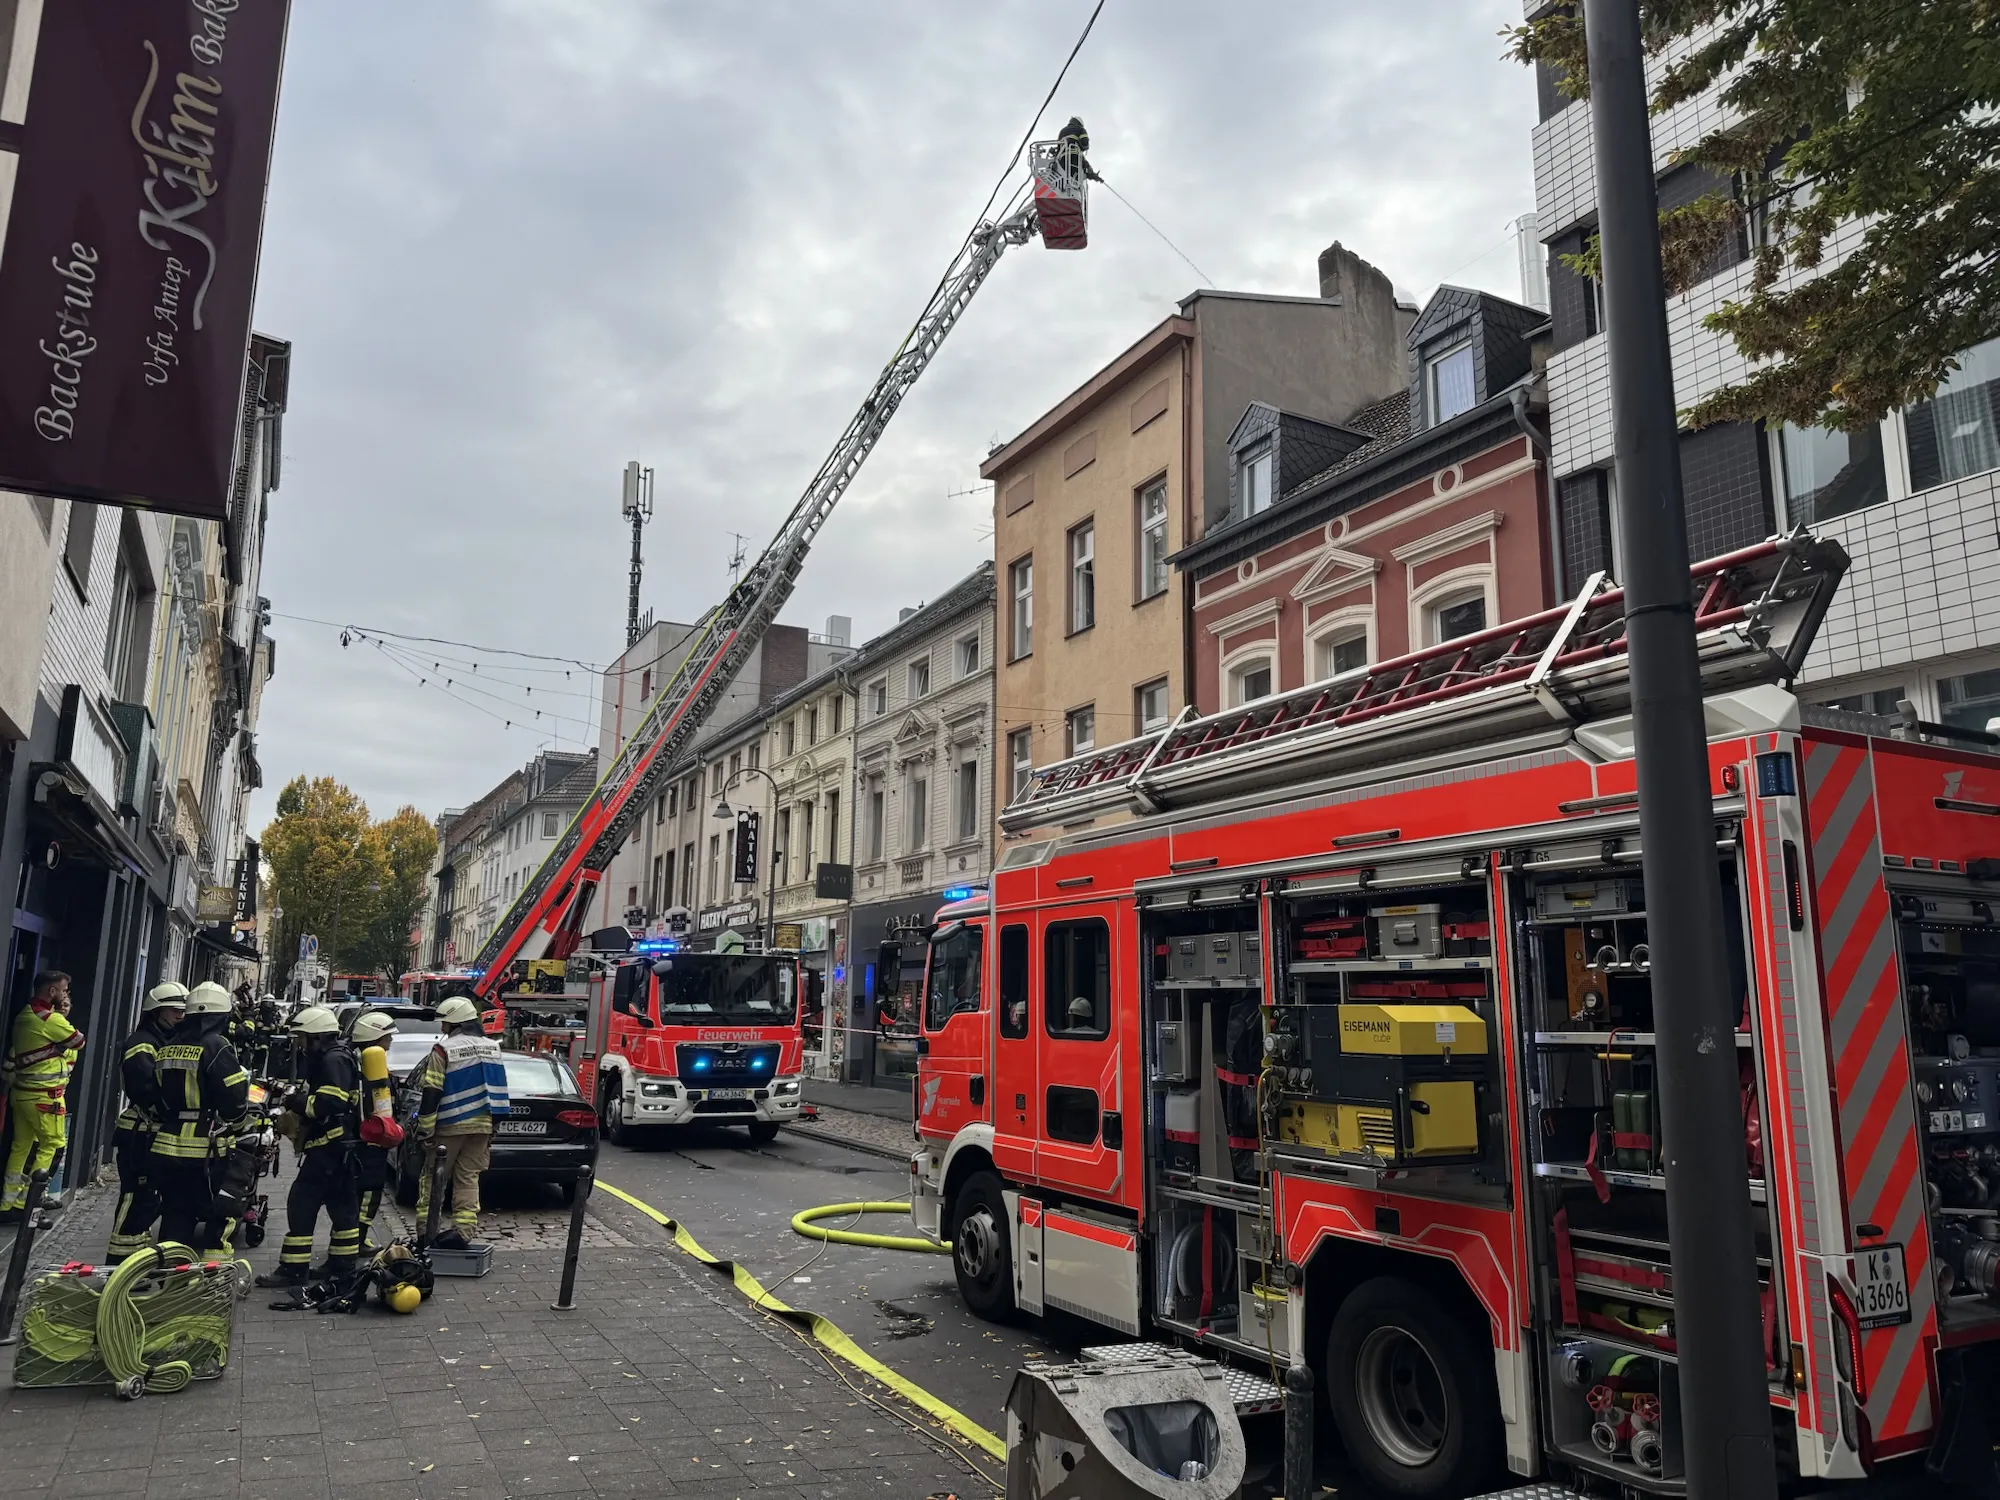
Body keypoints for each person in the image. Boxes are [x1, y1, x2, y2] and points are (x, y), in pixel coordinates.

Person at [258, 1005, 362, 1285]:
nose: (300, 1045)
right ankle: (341, 1267)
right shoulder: (339, 1056)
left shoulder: (332, 1061)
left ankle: (294, 1269)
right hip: (342, 1149)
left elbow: (330, 1102)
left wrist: (296, 1102)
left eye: (303, 1038)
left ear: (317, 1037)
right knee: (343, 1208)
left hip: (329, 1148)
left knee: (301, 1203)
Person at [151, 982, 252, 1253]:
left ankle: (170, 1273)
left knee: (175, 1213)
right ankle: (213, 1277)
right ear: (220, 1016)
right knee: (221, 1211)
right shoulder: (217, 1046)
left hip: (167, 1144)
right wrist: (239, 1127)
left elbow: (156, 1094)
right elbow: (234, 1099)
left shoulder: (168, 1045)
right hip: (206, 1149)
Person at [413, 996, 509, 1252]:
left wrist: (425, 1129)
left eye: (444, 1022)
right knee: (468, 1179)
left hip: (450, 1125)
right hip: (483, 1124)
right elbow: (499, 1089)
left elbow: (432, 1091)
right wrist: (493, 1127)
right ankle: (463, 1233)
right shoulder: (492, 1047)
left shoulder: (444, 1050)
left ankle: (426, 1234)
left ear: (454, 1021)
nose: (442, 1027)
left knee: (433, 1179)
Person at [105, 981, 188, 1261]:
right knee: (136, 1197)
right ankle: (117, 1263)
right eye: (175, 1010)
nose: (181, 1015)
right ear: (156, 1011)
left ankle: (135, 1264)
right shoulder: (142, 1044)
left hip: (152, 1133)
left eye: (183, 1011)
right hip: (137, 1134)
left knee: (149, 1199)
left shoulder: (164, 1040)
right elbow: (144, 1089)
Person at [1, 971, 84, 1222]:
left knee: (20, 1148)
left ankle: (7, 1204)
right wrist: (59, 1046)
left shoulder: (25, 1015)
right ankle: (30, 1203)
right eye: (64, 990)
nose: (65, 994)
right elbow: (78, 1041)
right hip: (45, 1099)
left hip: (23, 1094)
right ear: (51, 992)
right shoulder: (49, 1019)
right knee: (53, 1145)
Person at [349, 1010, 402, 1250]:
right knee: (370, 1191)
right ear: (374, 1037)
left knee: (362, 1191)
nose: (390, 1040)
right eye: (387, 1036)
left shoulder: (358, 1061)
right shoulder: (371, 1062)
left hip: (365, 1137)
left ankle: (356, 1237)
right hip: (371, 1141)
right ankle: (358, 1239)